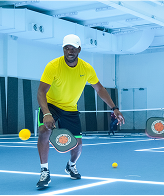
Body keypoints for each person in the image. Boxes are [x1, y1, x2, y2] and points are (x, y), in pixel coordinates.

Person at [36, 34, 125, 189]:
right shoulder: (53, 66)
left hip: (71, 108)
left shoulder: (86, 68)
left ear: (79, 49)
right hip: (51, 105)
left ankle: (71, 165)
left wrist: (114, 108)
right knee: (44, 130)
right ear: (63, 49)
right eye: (66, 48)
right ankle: (44, 171)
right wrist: (46, 113)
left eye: (73, 48)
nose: (69, 51)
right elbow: (41, 92)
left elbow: (99, 89)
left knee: (77, 144)